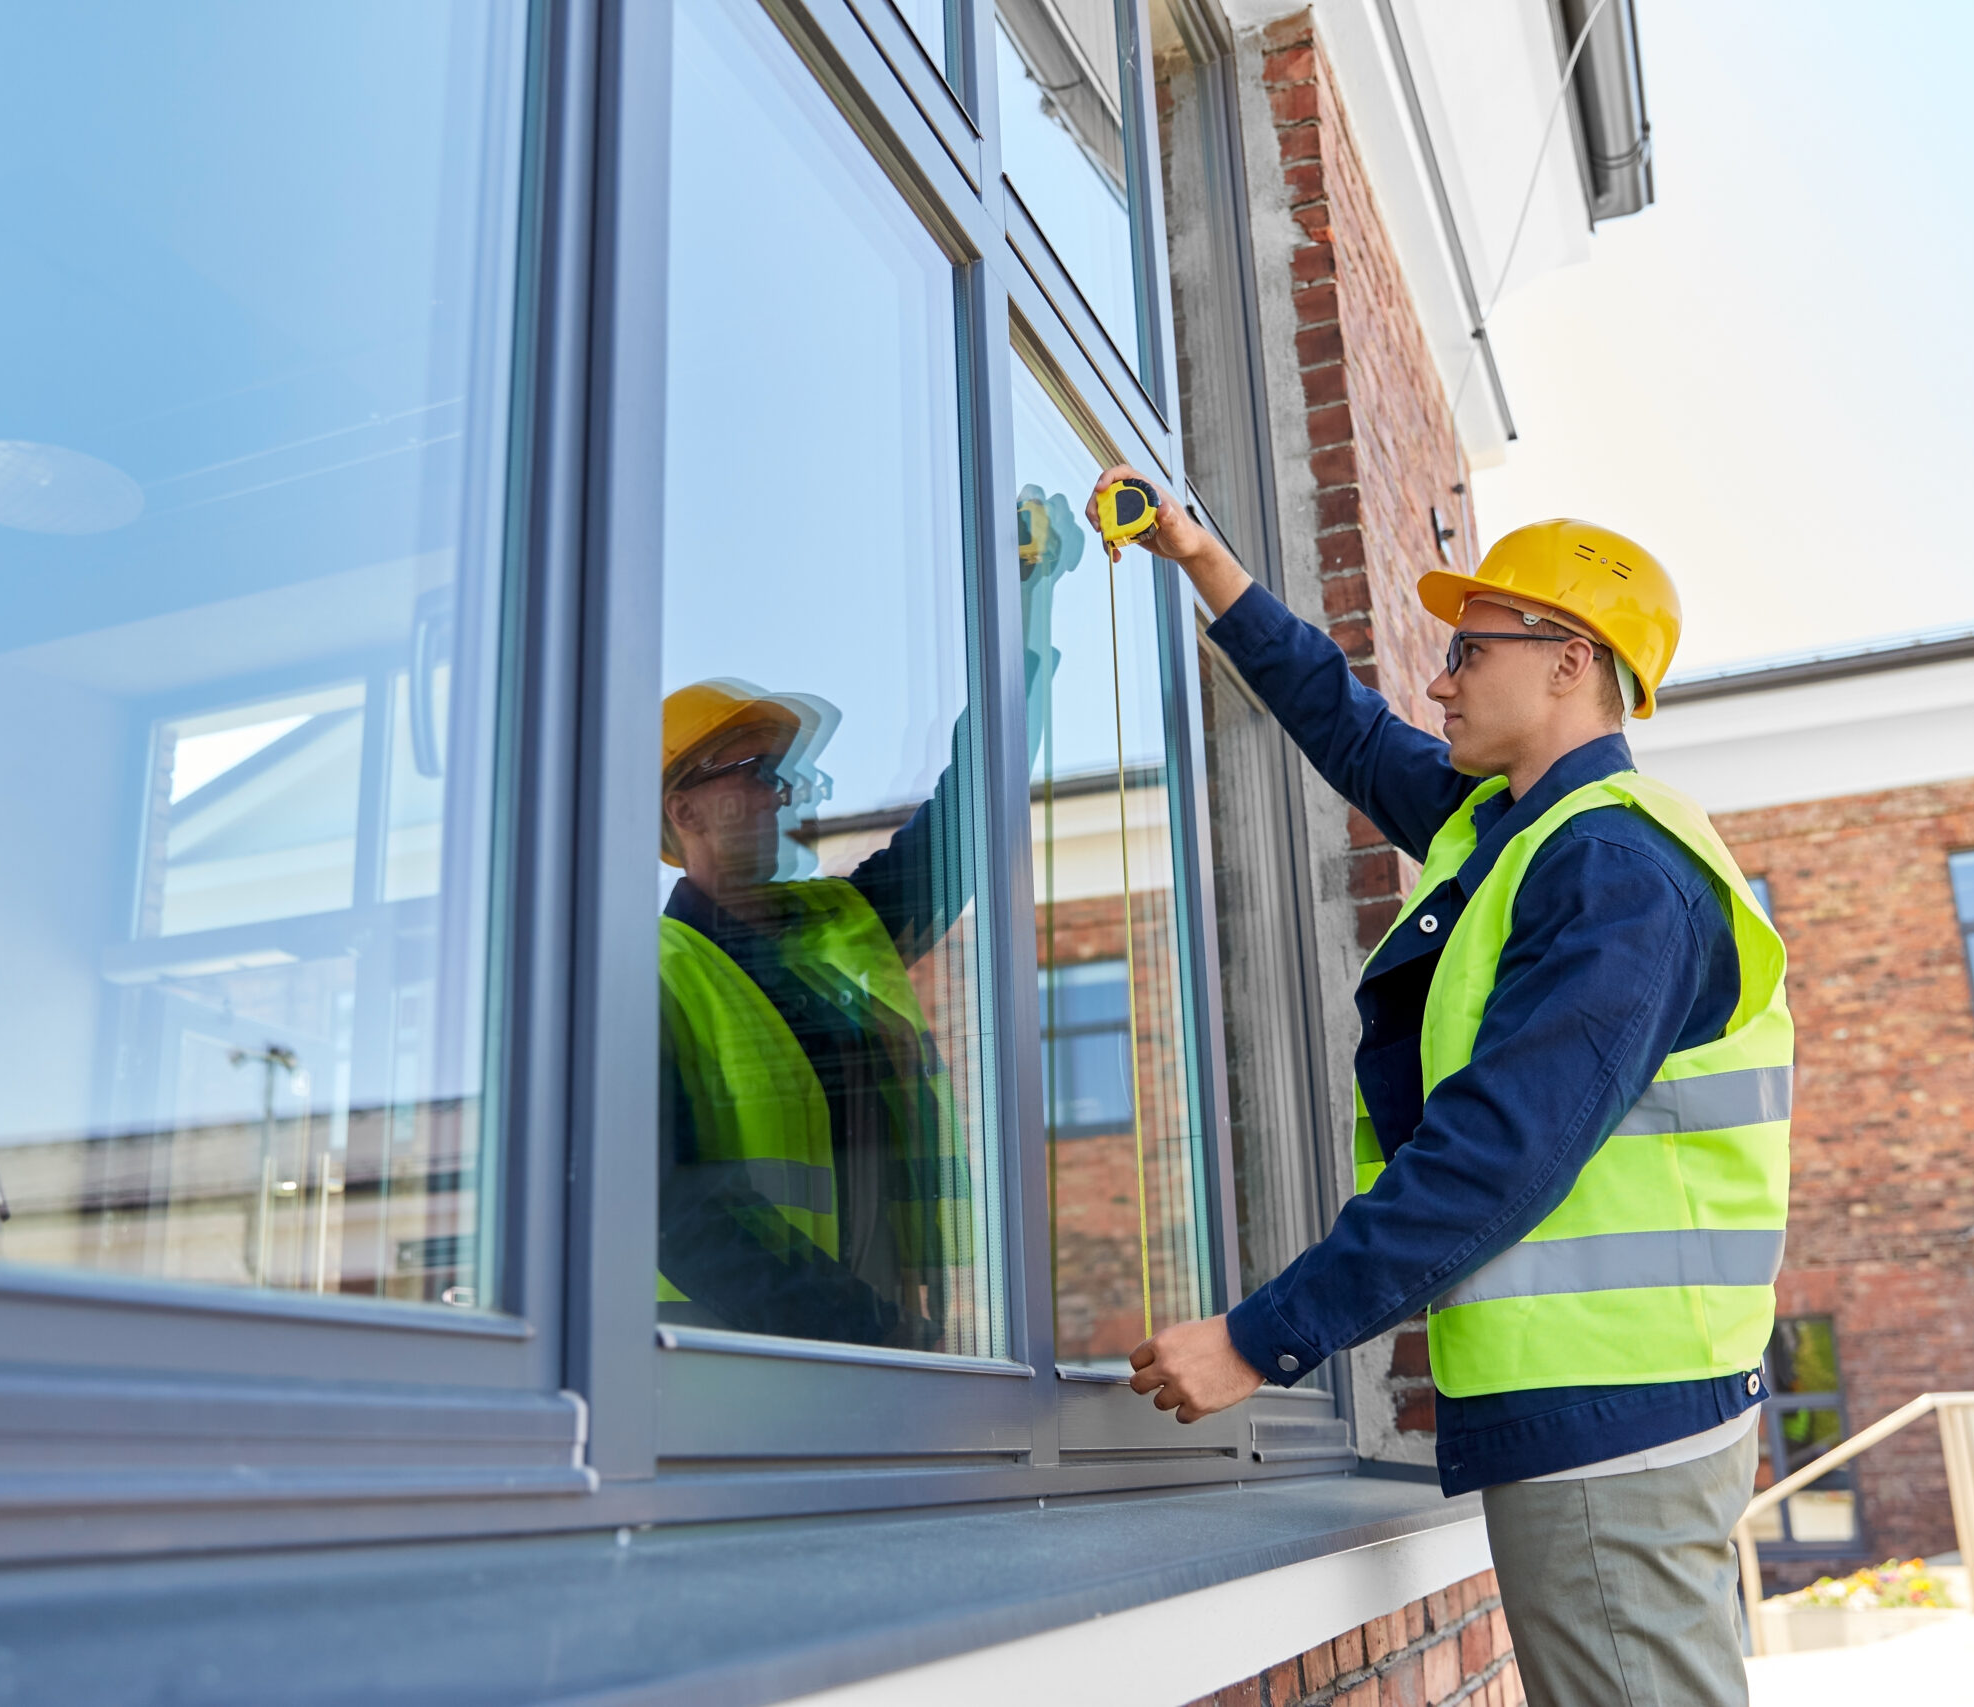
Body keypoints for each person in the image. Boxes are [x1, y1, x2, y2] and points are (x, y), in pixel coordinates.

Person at [1099, 470, 1790, 1707]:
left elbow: (1497, 1153)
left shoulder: (1618, 871)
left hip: (1618, 1417)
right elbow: (1352, 729)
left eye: (1469, 650)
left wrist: (1261, 1340)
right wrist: (1204, 561)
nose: (1439, 679)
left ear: (1570, 662)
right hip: (1609, 1404)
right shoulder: (1514, 829)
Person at [655, 492, 1084, 1348]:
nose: (784, 791)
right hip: (731, 1354)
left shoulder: (845, 922)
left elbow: (977, 806)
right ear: (684, 811)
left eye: (786, 770)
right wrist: (867, 1332)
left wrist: (1021, 615)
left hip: (879, 1338)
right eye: (756, 770)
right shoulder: (648, 972)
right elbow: (674, 1210)